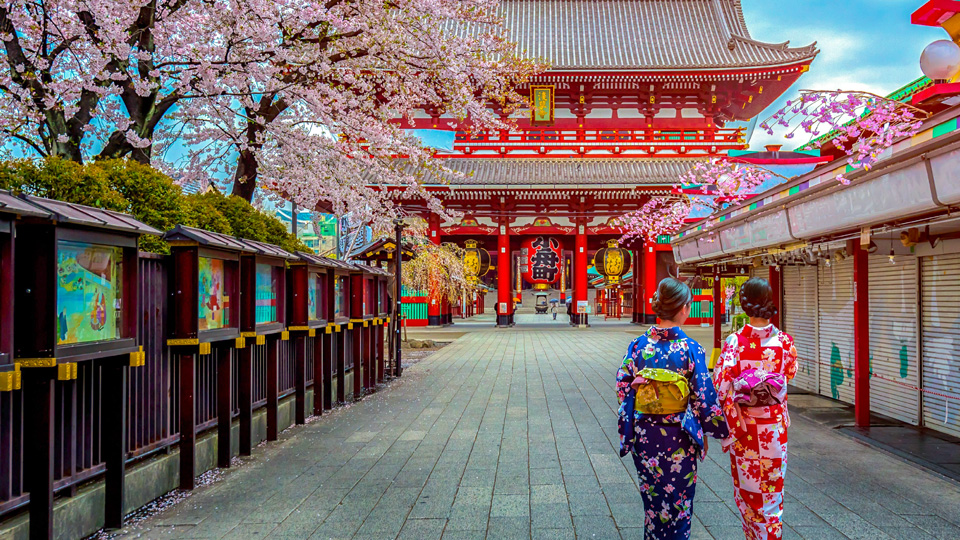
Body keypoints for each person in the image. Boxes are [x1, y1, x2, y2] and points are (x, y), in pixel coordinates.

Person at [616, 278, 729, 539]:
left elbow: (623, 387)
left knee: (653, 503)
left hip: (645, 436)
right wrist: (719, 432)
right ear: (683, 309)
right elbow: (704, 396)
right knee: (679, 505)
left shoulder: (638, 346)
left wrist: (637, 389)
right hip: (679, 436)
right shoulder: (691, 348)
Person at [714, 278, 798, 540]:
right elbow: (790, 373)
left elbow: (721, 384)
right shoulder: (784, 342)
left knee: (749, 496)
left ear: (744, 304)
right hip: (773, 430)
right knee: (772, 495)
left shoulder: (734, 342)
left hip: (746, 429)